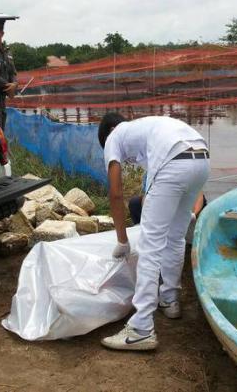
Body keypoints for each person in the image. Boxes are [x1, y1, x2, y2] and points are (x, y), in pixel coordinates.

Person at [98, 113, 210, 351]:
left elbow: (116, 193)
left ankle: (141, 329)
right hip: (201, 157)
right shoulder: (147, 130)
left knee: (150, 246)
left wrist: (122, 240)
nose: (125, 161)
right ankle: (169, 300)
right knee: (175, 237)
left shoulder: (113, 137)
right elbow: (154, 189)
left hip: (175, 160)